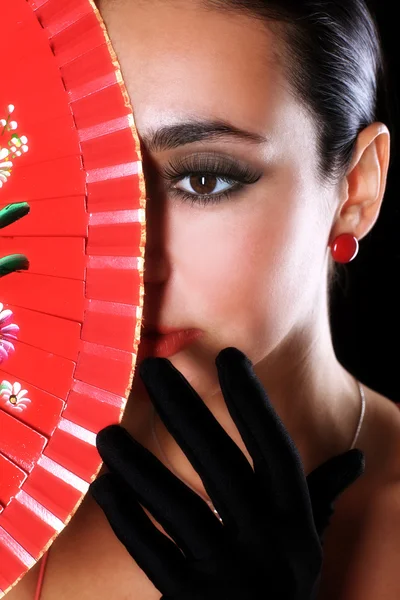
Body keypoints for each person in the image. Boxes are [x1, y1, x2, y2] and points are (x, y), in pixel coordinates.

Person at [7, 0, 400, 598]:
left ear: (356, 188)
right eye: (93, 185)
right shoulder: (18, 489)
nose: (132, 259)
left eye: (203, 178)